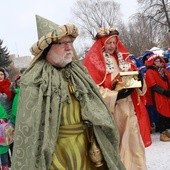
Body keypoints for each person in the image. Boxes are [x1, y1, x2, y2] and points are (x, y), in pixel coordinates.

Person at [11, 15, 125, 170]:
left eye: (70, 42)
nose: (69, 47)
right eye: (63, 43)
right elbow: (30, 128)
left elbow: (96, 105)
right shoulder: (35, 78)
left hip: (87, 147)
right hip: (55, 151)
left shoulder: (79, 72)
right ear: (48, 47)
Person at [83, 27, 149, 170]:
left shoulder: (123, 59)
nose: (112, 46)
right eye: (108, 43)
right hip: (112, 112)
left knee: (134, 145)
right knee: (118, 147)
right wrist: (116, 95)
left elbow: (138, 85)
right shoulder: (93, 63)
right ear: (101, 43)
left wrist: (140, 80)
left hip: (129, 109)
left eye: (114, 42)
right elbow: (93, 91)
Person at [145, 54, 170, 141]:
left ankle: (167, 131)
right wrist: (165, 92)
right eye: (156, 61)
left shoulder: (164, 71)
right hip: (157, 95)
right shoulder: (149, 72)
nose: (159, 63)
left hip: (167, 95)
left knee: (167, 112)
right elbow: (153, 85)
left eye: (160, 61)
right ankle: (162, 133)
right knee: (161, 113)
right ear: (152, 62)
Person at [0, 68, 12, 170]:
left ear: (5, 75)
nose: (0, 76)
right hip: (0, 119)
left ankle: (10, 163)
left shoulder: (9, 86)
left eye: (1, 74)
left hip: (9, 118)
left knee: (11, 141)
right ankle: (5, 164)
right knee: (2, 143)